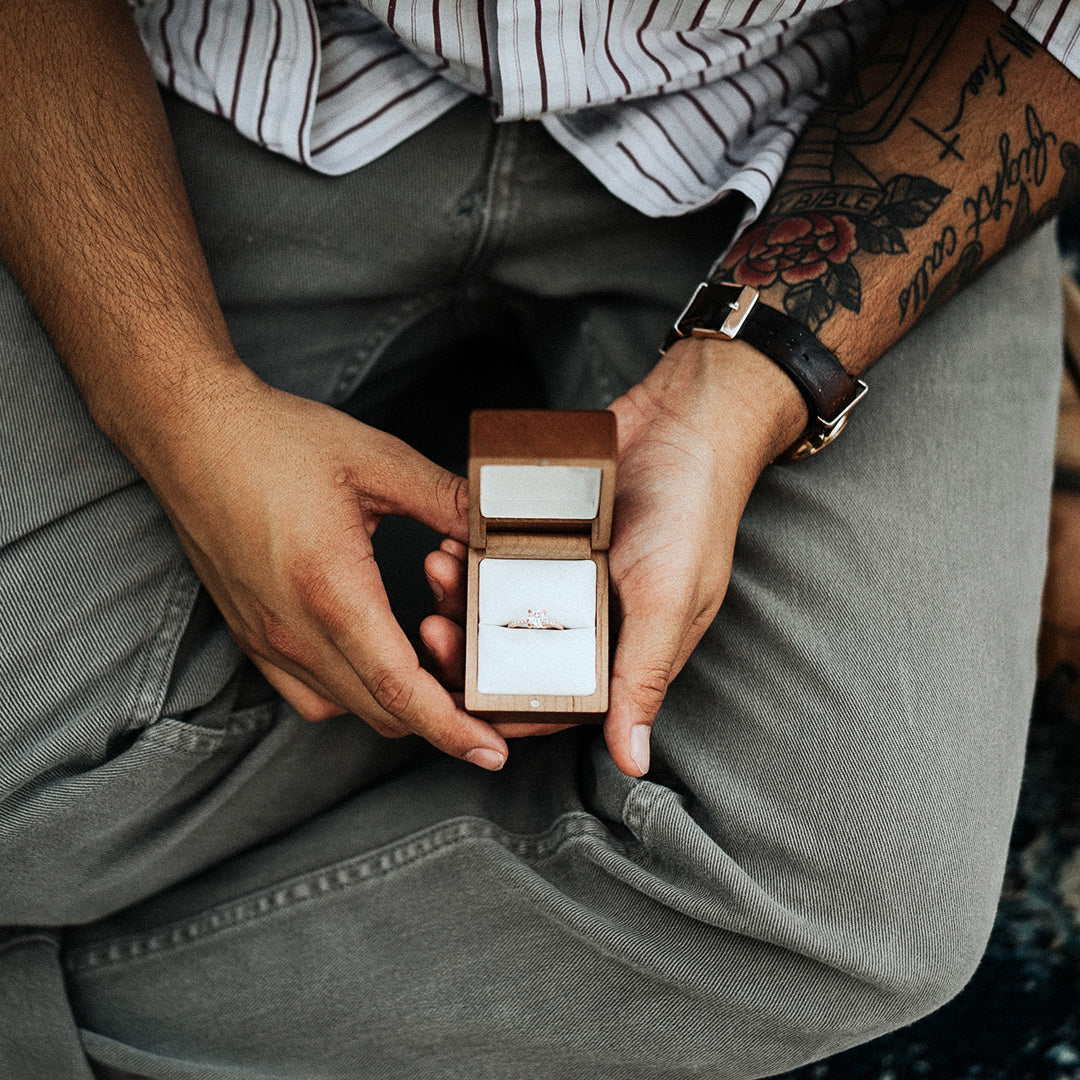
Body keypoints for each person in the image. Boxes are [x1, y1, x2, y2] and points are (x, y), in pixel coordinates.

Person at [0, 0, 1077, 1076]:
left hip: (840, 143)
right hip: (229, 86)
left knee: (859, 906)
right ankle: (578, 724)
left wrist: (748, 390)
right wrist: (182, 404)